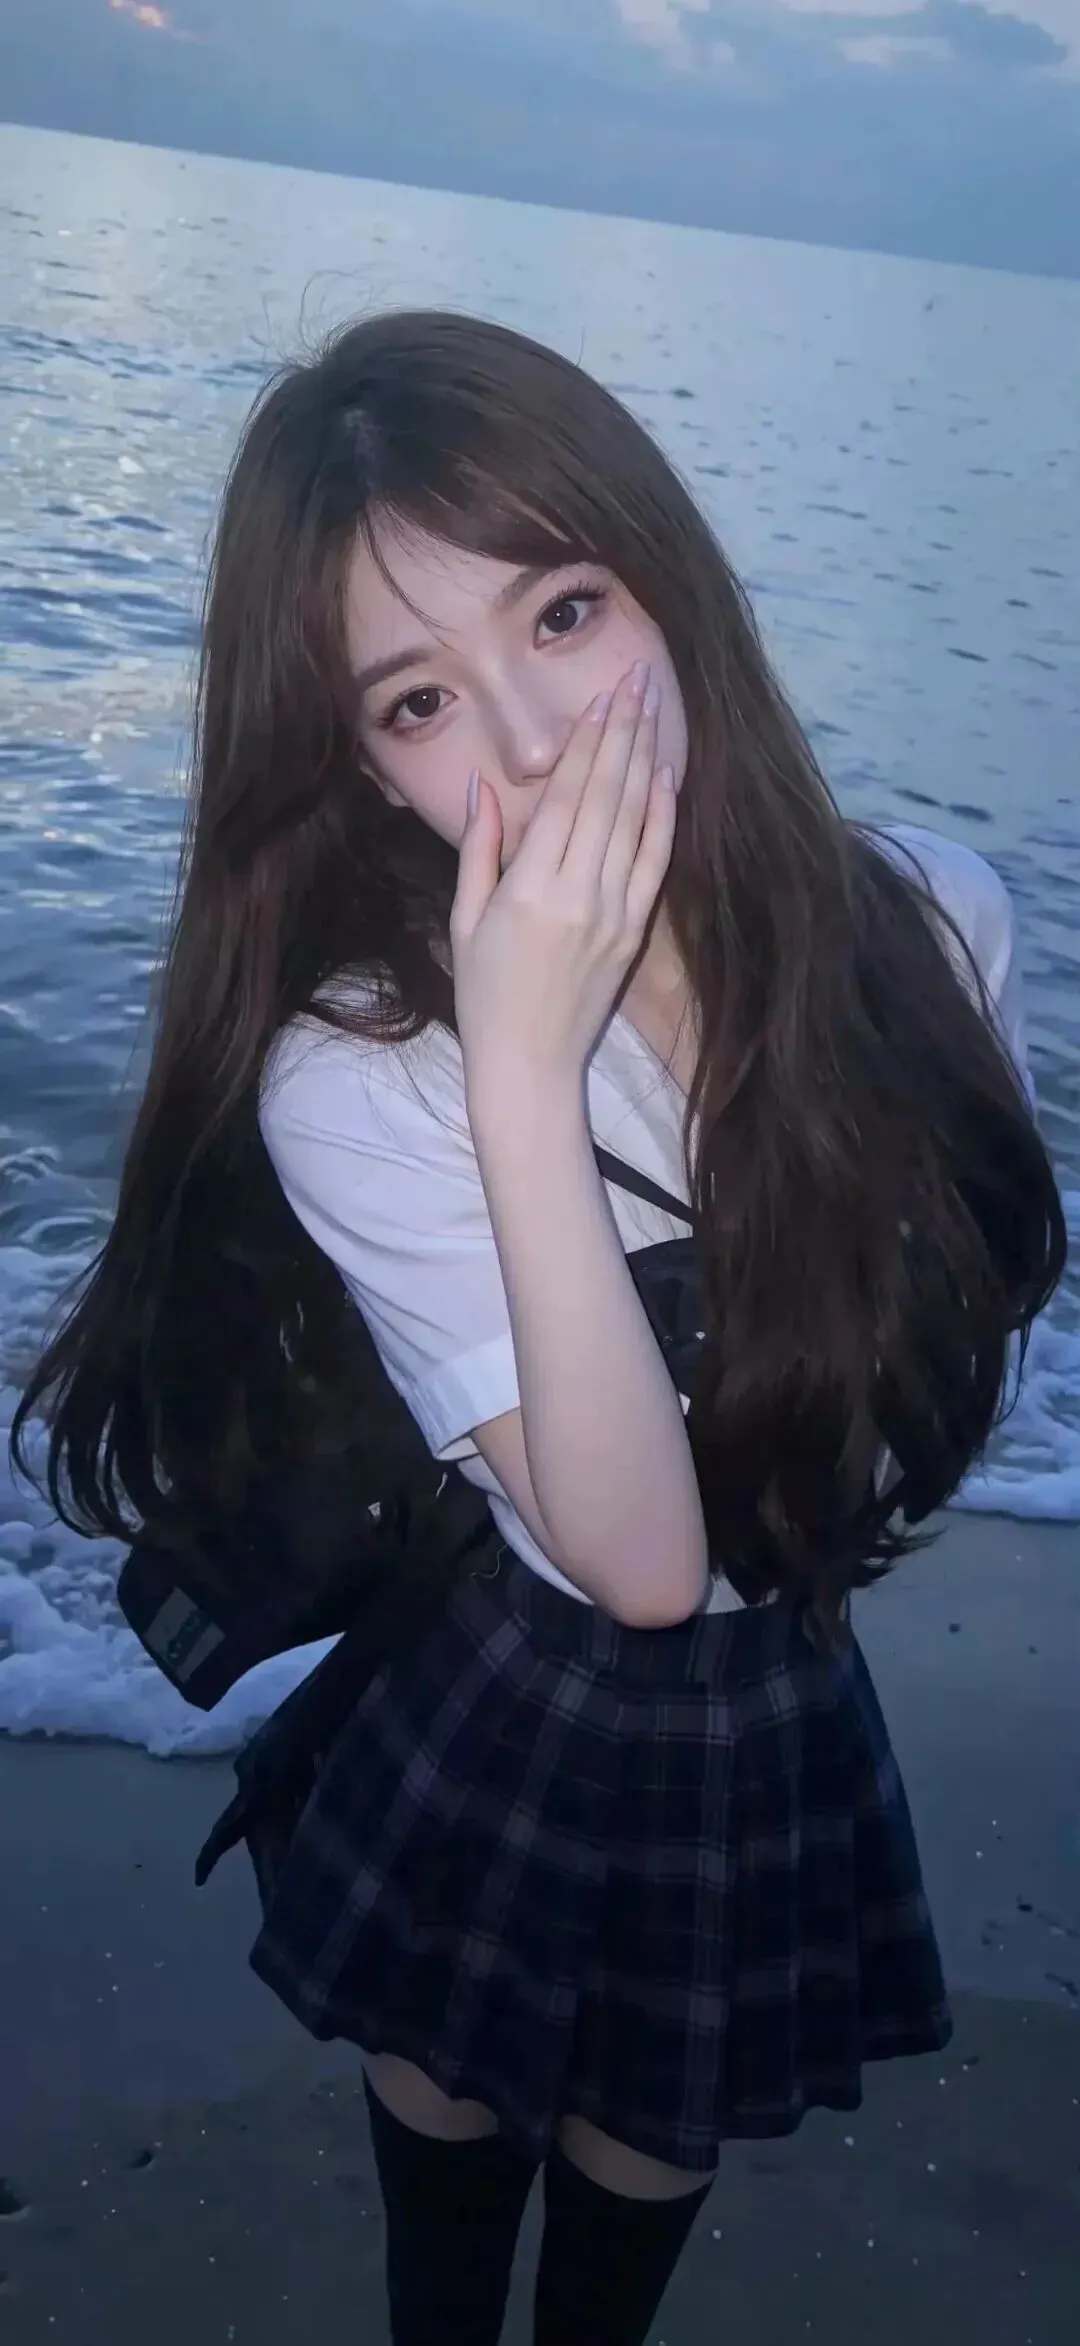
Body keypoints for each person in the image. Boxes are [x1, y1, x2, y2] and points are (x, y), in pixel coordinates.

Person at [13, 310, 1067, 2346]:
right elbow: (639, 1562)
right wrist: (520, 1062)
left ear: (671, 583)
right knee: (448, 2099)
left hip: (773, 1684)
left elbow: (947, 1351)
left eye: (564, 613)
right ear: (361, 765)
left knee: (651, 2133)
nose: (527, 740)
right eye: (418, 699)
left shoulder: (939, 920)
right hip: (523, 1666)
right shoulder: (366, 1069)